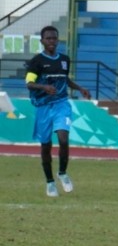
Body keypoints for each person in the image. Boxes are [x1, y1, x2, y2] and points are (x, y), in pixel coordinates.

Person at [25, 26, 91, 197]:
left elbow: (65, 79)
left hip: (62, 104)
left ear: (58, 40)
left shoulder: (64, 60)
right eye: (48, 39)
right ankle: (50, 182)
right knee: (46, 145)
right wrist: (44, 86)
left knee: (63, 138)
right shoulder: (36, 61)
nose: (51, 41)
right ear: (42, 41)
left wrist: (80, 88)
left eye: (54, 38)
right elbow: (29, 83)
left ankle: (62, 173)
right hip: (43, 107)